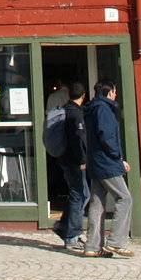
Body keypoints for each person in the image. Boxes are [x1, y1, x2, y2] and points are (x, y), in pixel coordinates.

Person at [82, 79, 134, 257]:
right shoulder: (104, 109)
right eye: (114, 91)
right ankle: (116, 241)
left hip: (95, 161)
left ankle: (92, 246)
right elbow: (107, 136)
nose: (116, 94)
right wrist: (118, 158)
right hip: (106, 162)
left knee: (97, 203)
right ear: (109, 92)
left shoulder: (92, 108)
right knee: (125, 198)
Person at [53, 80, 89, 251]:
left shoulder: (65, 110)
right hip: (74, 161)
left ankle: (63, 225)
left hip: (64, 159)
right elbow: (78, 140)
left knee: (79, 194)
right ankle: (72, 235)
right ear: (83, 96)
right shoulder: (76, 114)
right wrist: (82, 160)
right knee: (80, 195)